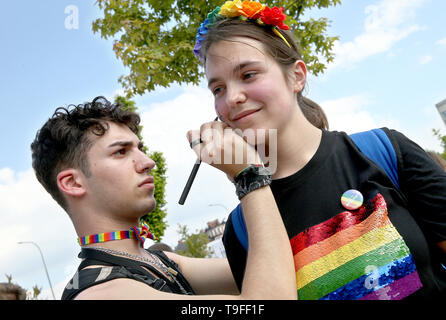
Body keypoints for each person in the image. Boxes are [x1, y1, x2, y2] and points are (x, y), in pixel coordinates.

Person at [192, 0, 446, 300]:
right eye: (217, 89)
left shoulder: (384, 150)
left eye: (248, 75)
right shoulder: (240, 231)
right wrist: (248, 177)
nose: (232, 97)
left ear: (297, 76)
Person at [31, 96, 296, 300]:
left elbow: (283, 271)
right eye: (121, 152)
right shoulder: (102, 292)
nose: (147, 162)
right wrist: (249, 177)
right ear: (73, 182)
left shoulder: (158, 262)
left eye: (140, 148)